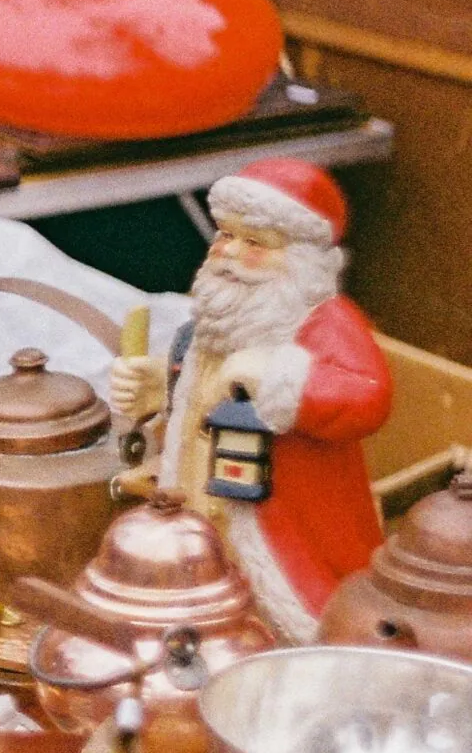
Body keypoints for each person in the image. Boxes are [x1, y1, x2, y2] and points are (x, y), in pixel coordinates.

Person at [107, 159, 392, 641]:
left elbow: (368, 395)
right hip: (197, 504)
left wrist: (280, 377)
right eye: (225, 235)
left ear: (300, 258)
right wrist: (159, 386)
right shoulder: (217, 319)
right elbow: (198, 383)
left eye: (255, 243)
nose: (230, 253)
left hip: (284, 522)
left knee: (286, 619)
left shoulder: (325, 323)